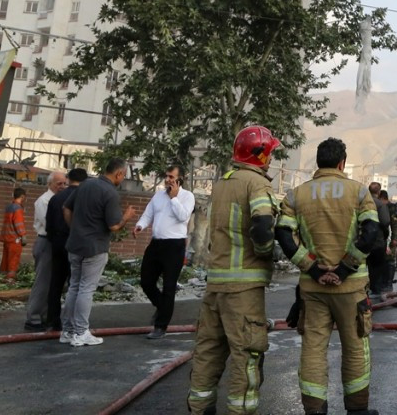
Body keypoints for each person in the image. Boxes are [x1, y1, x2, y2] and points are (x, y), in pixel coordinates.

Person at [275, 137, 382, 415]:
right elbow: (371, 233)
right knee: (355, 348)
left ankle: (314, 409)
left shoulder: (296, 195)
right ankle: (357, 410)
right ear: (342, 163)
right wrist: (344, 269)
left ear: (318, 161)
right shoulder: (359, 193)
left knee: (313, 349)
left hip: (313, 290)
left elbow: (283, 234)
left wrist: (312, 268)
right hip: (351, 289)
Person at [186, 126, 280, 415]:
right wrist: (268, 252)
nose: (271, 158)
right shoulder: (257, 184)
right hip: (244, 289)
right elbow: (262, 226)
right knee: (246, 355)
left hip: (216, 284)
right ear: (260, 155)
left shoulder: (222, 184)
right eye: (270, 153)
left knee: (208, 351)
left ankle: (199, 407)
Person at [61, 159, 137, 347]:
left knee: (74, 286)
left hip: (75, 244)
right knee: (86, 289)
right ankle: (81, 332)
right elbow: (114, 226)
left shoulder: (85, 184)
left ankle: (68, 331)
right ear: (119, 173)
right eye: (123, 175)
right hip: (94, 247)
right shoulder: (110, 192)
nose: (123, 179)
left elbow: (66, 208)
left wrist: (74, 230)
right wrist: (126, 217)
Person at [135, 164, 195, 339]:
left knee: (169, 286)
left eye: (171, 177)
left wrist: (174, 198)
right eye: (167, 176)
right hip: (156, 244)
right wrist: (140, 225)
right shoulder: (158, 195)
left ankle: (161, 326)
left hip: (174, 246)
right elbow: (148, 214)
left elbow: (183, 217)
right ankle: (163, 308)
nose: (168, 180)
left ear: (180, 179)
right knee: (146, 281)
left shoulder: (187, 196)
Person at [45, 168, 87, 332]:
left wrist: (54, 240)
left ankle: (52, 320)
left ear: (69, 179)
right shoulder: (83, 198)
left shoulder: (56, 198)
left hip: (57, 242)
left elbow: (49, 225)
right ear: (85, 181)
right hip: (75, 244)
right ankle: (73, 322)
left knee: (55, 283)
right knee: (75, 284)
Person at [24, 171, 67, 330]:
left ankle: (44, 316)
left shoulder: (57, 200)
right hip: (46, 241)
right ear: (50, 184)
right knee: (43, 282)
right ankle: (33, 318)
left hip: (53, 242)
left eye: (64, 183)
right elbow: (49, 223)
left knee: (51, 282)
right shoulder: (44, 201)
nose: (62, 186)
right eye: (59, 183)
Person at [365, 182, 392, 299]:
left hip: (362, 240)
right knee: (377, 267)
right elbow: (385, 222)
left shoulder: (362, 202)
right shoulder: (380, 205)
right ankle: (375, 290)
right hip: (377, 241)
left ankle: (364, 288)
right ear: (379, 192)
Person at [0, 187, 27, 279]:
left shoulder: (9, 207)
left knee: (5, 259)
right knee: (13, 259)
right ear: (22, 196)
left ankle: (3, 275)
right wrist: (23, 235)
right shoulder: (18, 208)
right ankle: (10, 278)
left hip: (6, 237)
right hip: (14, 239)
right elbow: (18, 223)